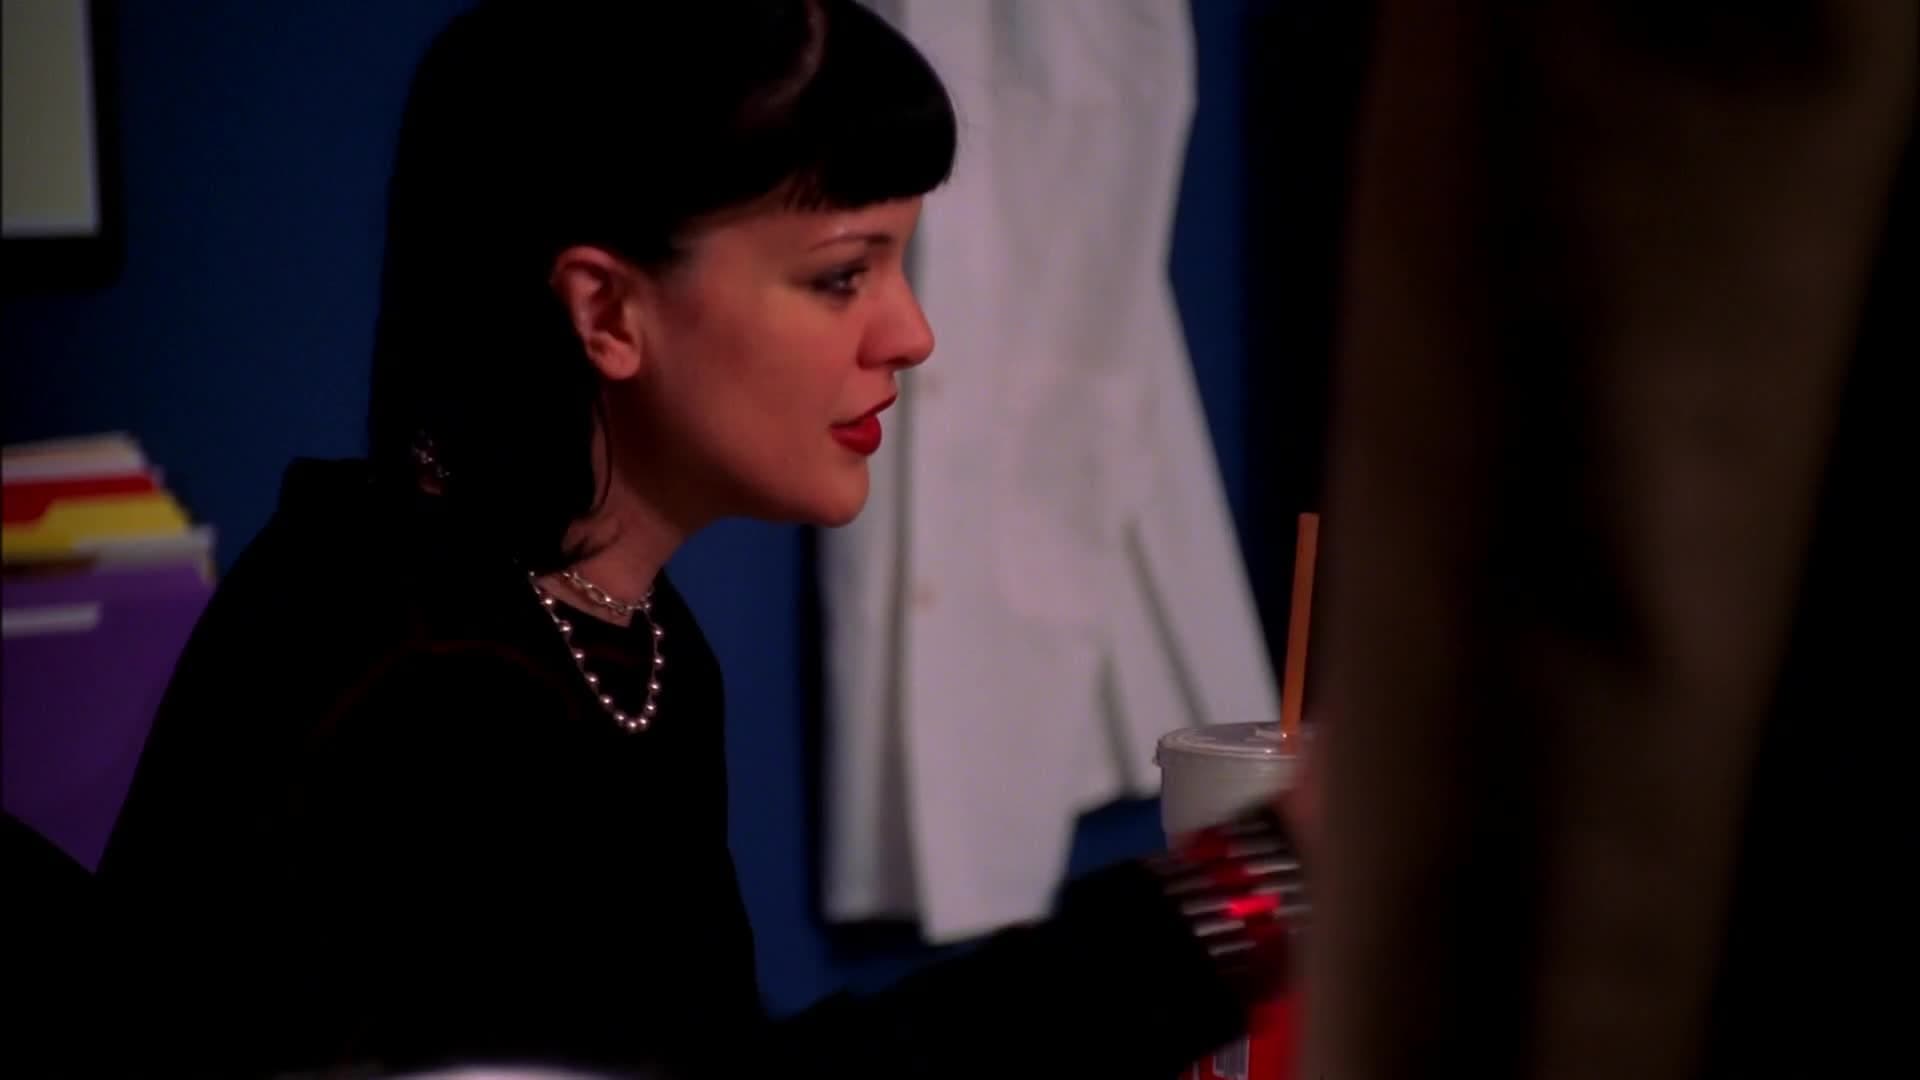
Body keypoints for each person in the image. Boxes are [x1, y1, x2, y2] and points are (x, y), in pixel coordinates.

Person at [95, 3, 1305, 1077]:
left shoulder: (620, 632)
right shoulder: (419, 690)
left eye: (902, 262)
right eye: (843, 276)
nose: (912, 333)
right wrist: (1248, 894)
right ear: (607, 309)